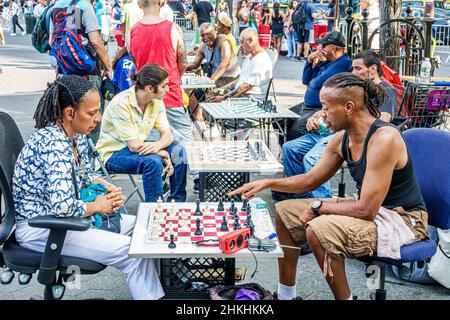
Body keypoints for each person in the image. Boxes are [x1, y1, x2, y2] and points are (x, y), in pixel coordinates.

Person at [230, 72, 429, 300]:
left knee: (320, 228)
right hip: (372, 209)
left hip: (402, 220)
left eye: (326, 108)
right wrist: (267, 183)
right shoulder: (341, 138)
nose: (321, 115)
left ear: (349, 107)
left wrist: (319, 206)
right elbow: (309, 180)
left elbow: (366, 210)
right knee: (285, 212)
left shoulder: (384, 139)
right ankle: (285, 295)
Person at [12, 75, 164, 300]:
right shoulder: (53, 145)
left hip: (66, 220)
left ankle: (164, 289)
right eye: (92, 113)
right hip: (43, 227)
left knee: (149, 227)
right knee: (134, 253)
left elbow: (83, 173)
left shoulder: (74, 134)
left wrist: (103, 186)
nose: (98, 118)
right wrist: (98, 205)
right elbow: (62, 207)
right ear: (69, 113)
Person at [275, 49, 397, 202]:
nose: (353, 72)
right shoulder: (355, 88)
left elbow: (383, 121)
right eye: (352, 68)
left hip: (349, 136)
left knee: (312, 159)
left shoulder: (385, 91)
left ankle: (323, 204)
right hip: (330, 131)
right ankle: (301, 199)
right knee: (290, 148)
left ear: (372, 69)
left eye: (358, 68)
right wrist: (316, 116)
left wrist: (349, 123)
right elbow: (333, 108)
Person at [96, 63, 187, 202]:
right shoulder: (121, 103)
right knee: (153, 161)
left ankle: (177, 202)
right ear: (150, 88)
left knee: (178, 151)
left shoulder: (156, 101)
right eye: (164, 86)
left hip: (138, 147)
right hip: (113, 154)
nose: (168, 89)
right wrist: (161, 152)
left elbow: (168, 134)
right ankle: (156, 208)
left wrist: (158, 146)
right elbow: (133, 146)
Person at [287, 31, 352, 142]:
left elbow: (316, 83)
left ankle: (293, 155)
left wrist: (314, 77)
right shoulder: (325, 61)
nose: (319, 48)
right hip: (307, 106)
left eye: (323, 46)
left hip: (318, 108)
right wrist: (309, 60)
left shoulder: (343, 63)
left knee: (296, 130)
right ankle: (285, 153)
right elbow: (306, 80)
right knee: (282, 120)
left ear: (332, 48)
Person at [186, 22, 240, 126]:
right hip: (214, 79)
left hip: (229, 78)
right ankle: (200, 122)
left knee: (209, 94)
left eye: (209, 34)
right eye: (203, 35)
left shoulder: (222, 41)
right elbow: (195, 64)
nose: (206, 37)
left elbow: (225, 63)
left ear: (215, 31)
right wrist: (179, 68)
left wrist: (211, 81)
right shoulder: (203, 45)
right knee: (191, 93)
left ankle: (212, 126)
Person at [49, 0, 113, 81]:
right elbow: (95, 41)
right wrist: (108, 68)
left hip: (63, 68)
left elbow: (51, 41)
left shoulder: (55, 7)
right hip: (85, 68)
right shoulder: (84, 6)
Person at [210, 28, 273, 103]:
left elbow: (246, 87)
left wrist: (224, 98)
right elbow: (239, 80)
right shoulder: (249, 57)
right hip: (242, 95)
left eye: (242, 42)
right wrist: (221, 89)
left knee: (211, 101)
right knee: (210, 95)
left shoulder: (261, 59)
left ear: (250, 40)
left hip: (251, 99)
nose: (241, 46)